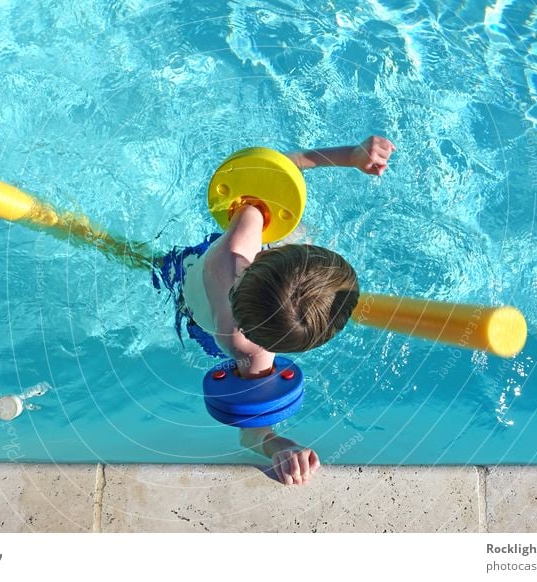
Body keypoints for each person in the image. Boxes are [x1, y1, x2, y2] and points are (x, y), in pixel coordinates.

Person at [150, 135, 396, 485]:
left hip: (185, 272)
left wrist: (348, 155)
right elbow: (252, 434)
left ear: (265, 254)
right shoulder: (250, 349)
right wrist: (280, 445)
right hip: (202, 324)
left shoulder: (239, 239)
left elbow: (270, 168)